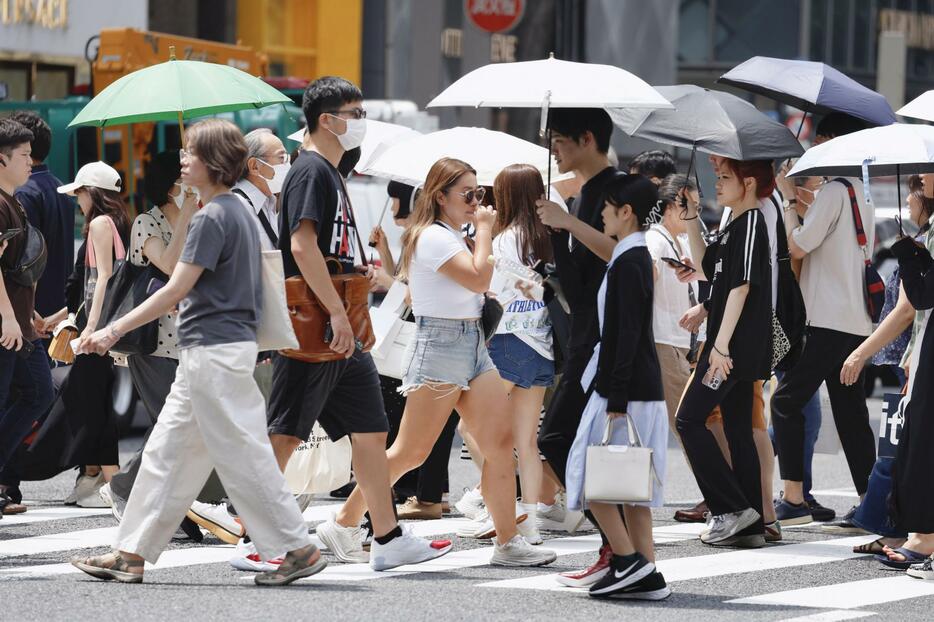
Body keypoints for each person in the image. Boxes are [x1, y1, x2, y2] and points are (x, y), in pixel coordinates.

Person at [70, 118, 323, 587]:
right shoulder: (236, 210)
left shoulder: (214, 215)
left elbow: (175, 288)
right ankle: (131, 552)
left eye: (191, 151)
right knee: (168, 452)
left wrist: (110, 331)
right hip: (212, 351)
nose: (183, 159)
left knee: (243, 453)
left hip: (213, 351)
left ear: (214, 162)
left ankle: (296, 546)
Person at [332, 157, 556, 566]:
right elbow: (477, 278)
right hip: (440, 345)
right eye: (467, 194)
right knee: (410, 452)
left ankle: (507, 541)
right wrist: (486, 231)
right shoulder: (432, 236)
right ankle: (344, 522)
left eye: (480, 193)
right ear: (440, 196)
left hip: (471, 342)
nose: (476, 202)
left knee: (500, 445)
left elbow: (477, 282)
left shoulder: (451, 234)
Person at [267, 76, 451, 570]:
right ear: (327, 121)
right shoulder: (310, 171)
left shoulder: (327, 172)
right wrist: (334, 312)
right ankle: (256, 534)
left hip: (343, 321)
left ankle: (386, 537)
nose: (361, 122)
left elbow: (323, 249)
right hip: (320, 324)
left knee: (371, 430)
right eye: (355, 113)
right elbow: (302, 247)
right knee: (284, 432)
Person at [99, 151, 224, 525]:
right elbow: (170, 268)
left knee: (178, 425)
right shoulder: (146, 222)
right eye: (184, 175)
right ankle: (125, 487)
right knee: (175, 423)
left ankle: (170, 507)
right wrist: (186, 215)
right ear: (172, 184)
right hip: (152, 341)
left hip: (191, 335)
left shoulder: (204, 218)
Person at [564, 174, 671, 599]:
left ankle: (628, 563)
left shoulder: (630, 261)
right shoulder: (633, 257)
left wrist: (616, 394)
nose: (602, 214)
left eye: (607, 207)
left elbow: (625, 334)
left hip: (623, 391)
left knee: (595, 480)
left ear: (626, 212)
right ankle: (649, 575)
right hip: (638, 388)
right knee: (633, 492)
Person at [534, 107, 625, 585]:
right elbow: (578, 283)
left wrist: (568, 225)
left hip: (608, 338)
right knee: (571, 442)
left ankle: (621, 548)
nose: (554, 150)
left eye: (560, 141)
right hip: (585, 335)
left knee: (559, 438)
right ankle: (616, 547)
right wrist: (555, 234)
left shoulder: (620, 190)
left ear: (586, 138)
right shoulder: (585, 195)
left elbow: (625, 256)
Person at [771, 157, 877, 524]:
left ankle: (795, 499)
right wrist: (806, 204)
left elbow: (798, 247)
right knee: (851, 413)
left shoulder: (833, 190)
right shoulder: (860, 191)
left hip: (825, 318)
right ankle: (870, 501)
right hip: (855, 320)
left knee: (785, 401)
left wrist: (787, 200)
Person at [676, 158, 773, 548]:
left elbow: (741, 287)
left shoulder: (751, 221)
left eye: (725, 177)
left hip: (730, 349)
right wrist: (691, 218)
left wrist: (719, 346)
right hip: (733, 346)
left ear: (747, 182)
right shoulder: (734, 223)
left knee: (688, 420)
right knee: (736, 430)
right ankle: (749, 523)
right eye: (716, 176)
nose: (717, 183)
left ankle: (731, 509)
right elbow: (707, 267)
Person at [40, 161, 128, 506]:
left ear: (92, 192)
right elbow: (92, 286)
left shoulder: (100, 224)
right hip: (107, 327)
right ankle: (102, 482)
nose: (77, 200)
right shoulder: (120, 221)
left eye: (79, 193)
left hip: (99, 331)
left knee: (94, 408)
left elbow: (102, 277)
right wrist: (59, 318)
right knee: (97, 406)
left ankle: (113, 486)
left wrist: (91, 327)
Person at [487, 163, 555, 544]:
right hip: (541, 342)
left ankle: (496, 505)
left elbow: (495, 293)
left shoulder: (503, 239)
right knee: (528, 442)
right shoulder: (547, 236)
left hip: (507, 339)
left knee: (480, 430)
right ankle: (530, 521)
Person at [0, 118, 55, 516]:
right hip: (5, 328)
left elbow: (12, 270)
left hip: (19, 325)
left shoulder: (13, 200)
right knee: (30, 394)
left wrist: (28, 312)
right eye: (22, 155)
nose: (30, 162)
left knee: (38, 393)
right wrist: (7, 317)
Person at [8, 110, 74, 320]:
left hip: (34, 309)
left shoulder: (24, 192)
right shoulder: (59, 187)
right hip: (59, 304)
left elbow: (25, 257)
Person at [233, 128, 289, 252]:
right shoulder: (236, 207)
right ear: (254, 166)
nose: (287, 165)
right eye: (282, 158)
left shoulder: (270, 203)